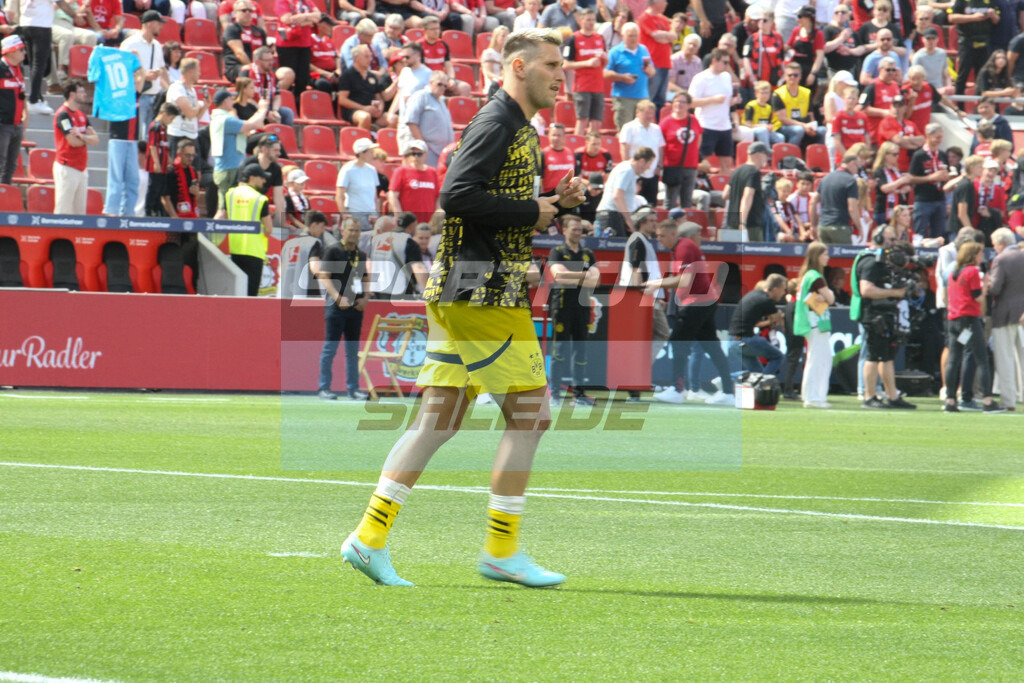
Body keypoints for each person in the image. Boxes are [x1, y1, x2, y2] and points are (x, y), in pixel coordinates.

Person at [340, 28, 585, 588]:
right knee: (532, 416)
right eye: (551, 65)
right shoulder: (499, 122)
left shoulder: (515, 126)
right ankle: (501, 551)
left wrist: (552, 204)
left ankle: (369, 538)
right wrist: (532, 212)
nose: (561, 75)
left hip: (464, 289)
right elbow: (456, 195)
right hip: (483, 293)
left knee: (439, 419)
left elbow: (489, 199)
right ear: (518, 67)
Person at [653, 220, 735, 405]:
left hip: (698, 302)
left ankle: (677, 389)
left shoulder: (684, 248)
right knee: (712, 347)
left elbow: (684, 280)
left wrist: (656, 284)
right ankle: (729, 392)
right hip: (704, 301)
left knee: (678, 341)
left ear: (674, 234)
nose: (659, 239)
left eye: (662, 236)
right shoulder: (680, 248)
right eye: (657, 235)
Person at [850, 225, 917, 409]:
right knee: (873, 355)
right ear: (879, 239)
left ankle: (892, 396)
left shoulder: (881, 261)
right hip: (873, 314)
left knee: (886, 357)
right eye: (891, 239)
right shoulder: (871, 261)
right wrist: (896, 293)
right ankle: (869, 396)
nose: (894, 244)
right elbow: (866, 289)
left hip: (884, 312)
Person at [944, 241, 1006, 412]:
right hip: (969, 319)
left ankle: (950, 399)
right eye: (979, 253)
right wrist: (985, 285)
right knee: (981, 359)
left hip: (954, 319)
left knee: (954, 359)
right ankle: (987, 400)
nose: (982, 256)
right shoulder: (972, 272)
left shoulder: (954, 273)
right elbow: (978, 297)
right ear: (972, 255)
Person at [547, 214, 599, 407]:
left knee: (580, 351)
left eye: (580, 230)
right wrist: (585, 275)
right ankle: (555, 395)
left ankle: (579, 396)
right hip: (562, 306)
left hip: (583, 306)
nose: (578, 233)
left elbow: (597, 280)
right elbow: (559, 275)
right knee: (559, 350)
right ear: (565, 230)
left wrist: (574, 276)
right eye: (574, 229)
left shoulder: (588, 253)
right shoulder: (557, 252)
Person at [89, 45, 144, 217]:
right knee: (116, 177)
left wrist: (138, 60)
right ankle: (111, 210)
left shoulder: (135, 94)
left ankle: (128, 213)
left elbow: (142, 78)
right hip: (118, 138)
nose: (134, 81)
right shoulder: (118, 92)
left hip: (132, 140)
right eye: (132, 77)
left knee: (133, 180)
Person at [619, 206, 672, 363]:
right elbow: (636, 270)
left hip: (648, 296)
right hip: (643, 296)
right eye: (651, 221)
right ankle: (640, 369)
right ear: (641, 222)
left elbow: (648, 271)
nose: (655, 224)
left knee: (648, 335)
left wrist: (657, 296)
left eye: (656, 220)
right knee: (660, 333)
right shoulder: (638, 240)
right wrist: (639, 297)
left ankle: (639, 369)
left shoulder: (644, 240)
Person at [211, 88, 269, 215]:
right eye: (231, 98)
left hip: (228, 169)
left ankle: (219, 234)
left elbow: (249, 125)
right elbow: (253, 125)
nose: (233, 101)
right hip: (229, 170)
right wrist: (263, 109)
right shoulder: (225, 120)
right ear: (225, 101)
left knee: (226, 209)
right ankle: (214, 235)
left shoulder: (221, 118)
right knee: (224, 210)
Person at [794, 241, 835, 408]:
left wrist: (824, 297)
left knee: (818, 358)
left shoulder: (807, 275)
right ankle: (814, 397)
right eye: (825, 254)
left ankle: (814, 395)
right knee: (818, 360)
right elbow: (831, 298)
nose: (828, 257)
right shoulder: (816, 277)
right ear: (817, 256)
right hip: (815, 322)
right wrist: (827, 296)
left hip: (813, 322)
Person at [988, 227, 1024, 412]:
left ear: (1001, 243)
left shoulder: (1001, 259)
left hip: (1005, 313)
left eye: (994, 244)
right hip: (1022, 313)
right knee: (1022, 357)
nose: (994, 248)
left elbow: (994, 289)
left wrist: (985, 282)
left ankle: (1008, 400)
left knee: (1005, 357)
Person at [121, 10, 169, 140]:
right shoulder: (130, 44)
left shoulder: (157, 45)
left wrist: (169, 89)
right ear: (150, 24)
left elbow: (162, 69)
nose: (161, 27)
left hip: (155, 97)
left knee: (150, 138)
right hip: (137, 97)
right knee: (139, 137)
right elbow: (121, 71)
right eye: (159, 24)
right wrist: (143, 76)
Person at [226, 164, 274, 296]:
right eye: (262, 178)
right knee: (250, 295)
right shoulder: (260, 199)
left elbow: (222, 215)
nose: (265, 181)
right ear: (252, 178)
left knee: (237, 292)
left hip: (235, 248)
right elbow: (269, 229)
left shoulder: (230, 194)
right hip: (254, 251)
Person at [53, 79, 98, 214]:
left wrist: (82, 136)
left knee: (80, 212)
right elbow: (72, 142)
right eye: (81, 91)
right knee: (63, 210)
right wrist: (85, 139)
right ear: (72, 94)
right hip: (67, 166)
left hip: (81, 167)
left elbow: (96, 140)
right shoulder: (64, 115)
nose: (84, 94)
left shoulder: (82, 115)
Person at [689, 48, 735, 176]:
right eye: (725, 62)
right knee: (702, 161)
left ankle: (723, 192)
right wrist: (712, 100)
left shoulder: (727, 77)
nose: (727, 66)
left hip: (724, 125)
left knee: (727, 162)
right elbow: (690, 102)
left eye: (728, 63)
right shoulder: (701, 78)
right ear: (714, 61)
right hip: (706, 124)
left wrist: (733, 101)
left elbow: (727, 100)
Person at [728, 272, 786, 374]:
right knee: (778, 356)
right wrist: (780, 316)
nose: (784, 293)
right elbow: (778, 319)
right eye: (783, 289)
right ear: (775, 289)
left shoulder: (753, 294)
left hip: (732, 340)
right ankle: (762, 385)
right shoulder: (766, 301)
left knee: (756, 373)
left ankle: (729, 379)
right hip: (746, 339)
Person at [562, 8, 606, 136]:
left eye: (593, 20)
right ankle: (578, 150)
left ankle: (592, 148)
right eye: (588, 20)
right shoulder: (573, 39)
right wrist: (587, 63)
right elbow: (566, 64)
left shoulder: (599, 38)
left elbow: (603, 64)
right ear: (581, 21)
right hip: (582, 86)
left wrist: (606, 59)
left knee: (596, 122)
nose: (591, 22)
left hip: (598, 86)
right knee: (582, 120)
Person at [594, 146, 655, 236]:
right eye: (649, 164)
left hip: (615, 216)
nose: (649, 168)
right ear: (642, 161)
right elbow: (618, 196)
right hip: (611, 216)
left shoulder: (628, 170)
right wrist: (629, 221)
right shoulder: (627, 170)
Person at [398, 70, 454, 167]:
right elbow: (411, 122)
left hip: (441, 152)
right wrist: (423, 146)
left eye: (445, 86)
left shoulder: (441, 100)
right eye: (439, 84)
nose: (442, 88)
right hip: (427, 151)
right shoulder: (420, 96)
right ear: (431, 82)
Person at [605, 22, 654, 131]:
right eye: (631, 36)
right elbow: (605, 73)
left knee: (643, 129)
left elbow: (652, 72)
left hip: (642, 97)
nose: (634, 38)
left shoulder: (643, 49)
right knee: (624, 130)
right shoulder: (615, 52)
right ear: (623, 36)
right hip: (624, 98)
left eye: (636, 35)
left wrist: (650, 70)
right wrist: (622, 77)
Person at [368, 209, 428, 297]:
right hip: (399, 293)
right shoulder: (409, 242)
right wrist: (427, 291)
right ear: (412, 226)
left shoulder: (377, 239)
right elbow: (418, 268)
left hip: (376, 291)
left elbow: (369, 264)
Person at [337, 43, 397, 130]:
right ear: (356, 58)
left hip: (372, 110)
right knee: (365, 117)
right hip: (354, 110)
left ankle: (379, 139)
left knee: (394, 119)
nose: (370, 60)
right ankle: (363, 141)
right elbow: (342, 100)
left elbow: (378, 97)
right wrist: (363, 108)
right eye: (366, 57)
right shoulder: (347, 75)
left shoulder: (372, 76)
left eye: (370, 57)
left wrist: (379, 109)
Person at [659, 92, 702, 210]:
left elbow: (699, 138)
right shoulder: (666, 122)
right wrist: (661, 163)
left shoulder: (693, 120)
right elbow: (660, 145)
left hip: (691, 166)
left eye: (682, 102)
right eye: (676, 101)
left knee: (687, 201)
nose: (678, 104)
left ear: (688, 105)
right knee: (670, 201)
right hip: (672, 166)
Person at [618, 100, 665, 206]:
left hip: (652, 172)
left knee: (651, 203)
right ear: (638, 112)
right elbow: (624, 148)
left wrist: (659, 166)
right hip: (635, 173)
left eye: (651, 113)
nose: (650, 116)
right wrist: (628, 167)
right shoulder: (629, 127)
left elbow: (660, 148)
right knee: (634, 202)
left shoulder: (656, 128)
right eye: (647, 113)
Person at [908, 123, 951, 240]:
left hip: (940, 199)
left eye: (941, 137)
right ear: (928, 135)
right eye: (937, 137)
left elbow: (946, 175)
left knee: (938, 235)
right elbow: (911, 178)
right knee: (919, 234)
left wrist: (946, 176)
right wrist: (930, 178)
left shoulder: (942, 154)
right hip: (924, 200)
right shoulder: (918, 155)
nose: (940, 140)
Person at [950, 0, 1000, 99]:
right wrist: (973, 18)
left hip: (984, 41)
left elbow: (997, 20)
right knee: (962, 76)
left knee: (982, 76)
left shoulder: (990, 1)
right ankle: (960, 106)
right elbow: (952, 18)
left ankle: (980, 106)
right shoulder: (962, 1)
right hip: (967, 41)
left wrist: (993, 15)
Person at [165, 58, 210, 165]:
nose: (200, 73)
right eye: (198, 70)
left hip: (192, 136)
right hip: (178, 136)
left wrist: (206, 105)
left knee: (194, 173)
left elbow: (195, 118)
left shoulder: (192, 90)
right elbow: (189, 113)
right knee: (178, 171)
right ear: (191, 72)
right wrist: (199, 105)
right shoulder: (177, 88)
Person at [722, 140, 769, 241]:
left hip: (732, 223)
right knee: (754, 255)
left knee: (732, 255)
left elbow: (725, 195)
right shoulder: (754, 172)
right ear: (758, 154)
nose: (767, 158)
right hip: (749, 224)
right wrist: (742, 223)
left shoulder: (737, 170)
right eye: (766, 154)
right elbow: (747, 196)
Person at [772, 62, 826, 148]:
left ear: (800, 76)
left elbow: (810, 114)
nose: (792, 77)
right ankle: (791, 157)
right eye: (790, 75)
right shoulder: (778, 94)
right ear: (785, 76)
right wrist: (804, 126)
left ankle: (816, 158)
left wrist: (812, 127)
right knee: (798, 130)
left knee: (822, 130)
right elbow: (783, 119)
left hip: (804, 125)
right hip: (783, 127)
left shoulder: (806, 93)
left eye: (795, 75)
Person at [239, 46, 295, 126]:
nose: (271, 63)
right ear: (258, 61)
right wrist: (265, 112)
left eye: (272, 60)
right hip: (251, 106)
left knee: (287, 113)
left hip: (267, 106)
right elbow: (243, 97)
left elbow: (277, 95)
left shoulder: (272, 75)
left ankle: (286, 137)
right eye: (268, 60)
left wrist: (275, 111)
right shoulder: (246, 73)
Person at [388, 139, 440, 224]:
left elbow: (438, 197)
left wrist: (437, 215)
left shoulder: (432, 172)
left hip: (428, 222)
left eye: (419, 154)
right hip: (408, 223)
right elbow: (393, 195)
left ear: (426, 154)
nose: (415, 157)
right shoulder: (401, 171)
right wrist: (399, 215)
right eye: (413, 154)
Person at [638, 0, 677, 116]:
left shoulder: (664, 19)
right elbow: (656, 36)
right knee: (650, 98)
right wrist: (667, 37)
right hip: (653, 63)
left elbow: (673, 36)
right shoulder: (644, 17)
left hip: (665, 63)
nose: (666, 3)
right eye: (664, 1)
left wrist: (665, 36)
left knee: (660, 100)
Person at [275, 0, 318, 101]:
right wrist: (308, 18)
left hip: (305, 44)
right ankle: (285, 101)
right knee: (289, 76)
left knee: (303, 79)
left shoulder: (307, 1)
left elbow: (318, 16)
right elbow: (286, 19)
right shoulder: (283, 1)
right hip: (287, 45)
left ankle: (298, 103)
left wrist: (299, 19)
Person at [816, 152, 861, 245]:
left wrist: (813, 225)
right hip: (840, 226)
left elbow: (813, 201)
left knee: (824, 258)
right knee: (845, 259)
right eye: (858, 167)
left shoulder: (825, 178)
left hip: (823, 225)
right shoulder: (850, 180)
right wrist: (860, 228)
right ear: (852, 163)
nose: (857, 171)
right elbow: (852, 208)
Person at [336, 137, 381, 230]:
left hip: (370, 216)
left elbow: (374, 195)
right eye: (370, 152)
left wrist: (376, 214)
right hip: (354, 213)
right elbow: (340, 195)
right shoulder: (347, 169)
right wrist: (345, 215)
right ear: (361, 153)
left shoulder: (372, 170)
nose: (373, 155)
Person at [0, 36, 27, 185]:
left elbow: (22, 94)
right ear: (10, 51)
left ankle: (3, 195)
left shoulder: (19, 69)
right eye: (21, 49)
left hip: (17, 125)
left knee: (11, 165)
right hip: (3, 124)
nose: (25, 53)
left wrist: (25, 117)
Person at [143, 102, 178, 216]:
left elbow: (163, 145)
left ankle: (157, 210)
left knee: (161, 189)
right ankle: (148, 211)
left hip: (163, 166)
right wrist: (156, 163)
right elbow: (152, 145)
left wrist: (167, 158)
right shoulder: (155, 126)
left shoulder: (163, 127)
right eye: (171, 118)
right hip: (155, 166)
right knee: (154, 188)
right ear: (164, 114)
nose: (171, 121)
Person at [222, 0, 267, 83]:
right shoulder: (232, 28)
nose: (248, 13)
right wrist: (255, 69)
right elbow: (239, 53)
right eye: (244, 10)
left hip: (256, 68)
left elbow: (265, 53)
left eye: (250, 10)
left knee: (281, 74)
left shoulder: (259, 31)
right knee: (248, 72)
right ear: (235, 12)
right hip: (236, 67)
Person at [876, 95, 923, 172]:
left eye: (900, 106)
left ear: (905, 108)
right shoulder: (886, 122)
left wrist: (905, 140)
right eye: (894, 106)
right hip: (892, 167)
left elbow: (922, 140)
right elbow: (898, 140)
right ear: (890, 107)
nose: (896, 109)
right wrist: (914, 144)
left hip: (910, 166)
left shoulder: (910, 124)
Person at [743, 10, 785, 88]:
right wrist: (752, 77)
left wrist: (783, 76)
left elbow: (782, 59)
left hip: (773, 82)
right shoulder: (752, 38)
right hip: (757, 82)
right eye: (759, 19)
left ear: (771, 22)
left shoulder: (778, 38)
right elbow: (746, 58)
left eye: (764, 20)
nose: (761, 22)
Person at [160, 139, 200, 219]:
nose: (191, 158)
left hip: (190, 217)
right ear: (179, 154)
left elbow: (196, 198)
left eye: (193, 155)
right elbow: (164, 198)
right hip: (174, 218)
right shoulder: (170, 172)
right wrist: (174, 217)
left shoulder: (193, 172)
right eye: (188, 155)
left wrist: (197, 193)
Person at [741, 81, 784, 148]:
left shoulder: (769, 108)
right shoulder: (751, 105)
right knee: (763, 131)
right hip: (752, 130)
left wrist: (770, 127)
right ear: (756, 94)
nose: (765, 95)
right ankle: (766, 153)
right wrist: (763, 126)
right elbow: (747, 124)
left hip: (765, 130)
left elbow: (769, 123)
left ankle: (777, 155)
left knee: (780, 137)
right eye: (762, 93)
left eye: (767, 93)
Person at [912, 26, 953, 93]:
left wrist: (949, 87)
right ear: (923, 39)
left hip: (940, 89)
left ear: (937, 39)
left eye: (933, 39)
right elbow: (915, 79)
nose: (931, 41)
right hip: (924, 90)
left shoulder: (942, 54)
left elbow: (945, 74)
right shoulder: (918, 57)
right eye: (928, 39)